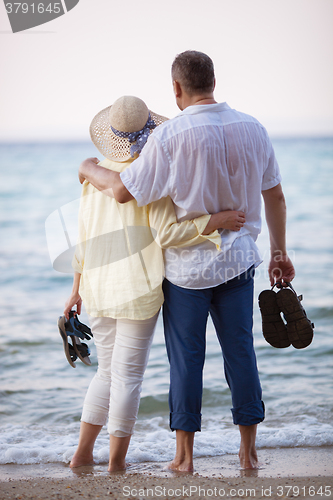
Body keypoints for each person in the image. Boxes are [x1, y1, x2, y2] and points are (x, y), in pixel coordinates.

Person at [78, 51, 295, 471]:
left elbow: (123, 191)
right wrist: (279, 252)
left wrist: (88, 167)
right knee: (241, 354)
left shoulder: (170, 136)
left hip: (185, 271)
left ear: (176, 88)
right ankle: (249, 453)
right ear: (214, 80)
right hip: (239, 264)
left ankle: (184, 457)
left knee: (186, 360)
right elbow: (276, 196)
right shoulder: (254, 127)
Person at [64, 95, 246, 472]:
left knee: (106, 372)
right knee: (128, 376)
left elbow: (82, 238)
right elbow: (169, 234)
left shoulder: (92, 174)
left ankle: (82, 455)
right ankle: (116, 463)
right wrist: (217, 221)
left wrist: (76, 288)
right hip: (136, 289)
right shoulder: (151, 175)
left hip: (96, 287)